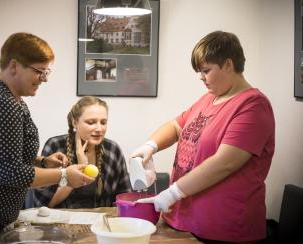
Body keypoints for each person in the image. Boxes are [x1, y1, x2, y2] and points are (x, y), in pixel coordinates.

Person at [0, 32, 95, 244]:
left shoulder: (8, 97)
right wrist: (64, 175)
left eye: (47, 71)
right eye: (40, 71)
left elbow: (0, 155)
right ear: (14, 66)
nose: (45, 79)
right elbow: (11, 173)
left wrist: (43, 161)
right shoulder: (3, 102)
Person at [133, 31, 275, 243]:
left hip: (223, 230)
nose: (201, 77)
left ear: (228, 64)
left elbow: (224, 163)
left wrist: (173, 193)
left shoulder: (253, 106)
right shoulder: (209, 99)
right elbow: (175, 126)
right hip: (183, 221)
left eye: (206, 70)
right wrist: (150, 145)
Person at [33, 96, 131, 209]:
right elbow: (45, 206)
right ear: (75, 122)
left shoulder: (113, 150)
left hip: (101, 223)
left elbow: (125, 198)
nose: (99, 128)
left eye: (103, 122)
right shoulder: (55, 146)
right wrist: (80, 165)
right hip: (61, 223)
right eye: (91, 122)